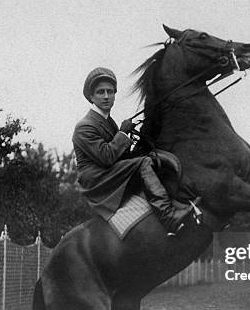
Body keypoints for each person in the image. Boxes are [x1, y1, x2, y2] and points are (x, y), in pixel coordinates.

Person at [72, 67, 192, 235]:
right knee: (143, 163)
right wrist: (122, 133)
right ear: (91, 97)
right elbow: (106, 157)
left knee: (149, 157)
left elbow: (118, 155)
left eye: (110, 91)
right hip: (97, 179)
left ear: (115, 94)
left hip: (108, 172)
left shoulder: (108, 122)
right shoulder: (85, 126)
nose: (106, 96)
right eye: (100, 92)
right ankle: (168, 215)